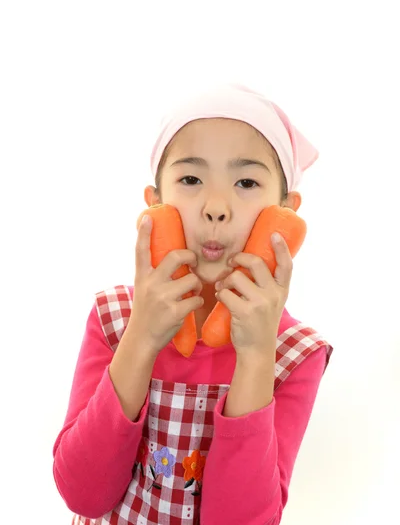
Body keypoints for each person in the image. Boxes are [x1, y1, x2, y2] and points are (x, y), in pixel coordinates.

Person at [52, 83, 334, 525]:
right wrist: (142, 337)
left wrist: (256, 355)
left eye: (246, 182)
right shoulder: (113, 319)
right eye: (190, 179)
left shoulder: (296, 353)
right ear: (155, 204)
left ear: (286, 213)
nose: (216, 207)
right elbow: (83, 493)